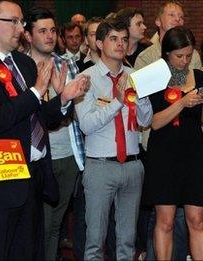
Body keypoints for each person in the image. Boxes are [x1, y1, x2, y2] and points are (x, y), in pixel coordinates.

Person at [0, 0, 89, 259]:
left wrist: (62, 100)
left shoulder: (24, 64)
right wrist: (36, 91)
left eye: (21, 21)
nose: (20, 27)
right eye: (13, 21)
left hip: (33, 173)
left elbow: (40, 118)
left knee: (29, 251)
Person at [75, 19, 153, 260]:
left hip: (132, 165)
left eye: (124, 39)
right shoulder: (86, 79)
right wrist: (118, 101)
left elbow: (147, 119)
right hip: (100, 166)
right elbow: (87, 125)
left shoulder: (135, 75)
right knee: (95, 242)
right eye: (113, 39)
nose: (120, 44)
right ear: (99, 43)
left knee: (127, 242)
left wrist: (138, 98)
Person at [142, 26, 203, 260]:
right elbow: (154, 122)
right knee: (165, 221)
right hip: (164, 155)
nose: (184, 61)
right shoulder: (154, 77)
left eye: (188, 55)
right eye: (178, 56)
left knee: (198, 219)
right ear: (166, 54)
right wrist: (183, 103)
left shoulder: (200, 76)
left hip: (194, 154)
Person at [23, 7, 85, 261]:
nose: (49, 36)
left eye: (52, 30)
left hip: (68, 153)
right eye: (42, 31)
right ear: (27, 35)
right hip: (37, 158)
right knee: (42, 225)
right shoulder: (19, 66)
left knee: (56, 224)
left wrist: (65, 98)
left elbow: (73, 110)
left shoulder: (67, 63)